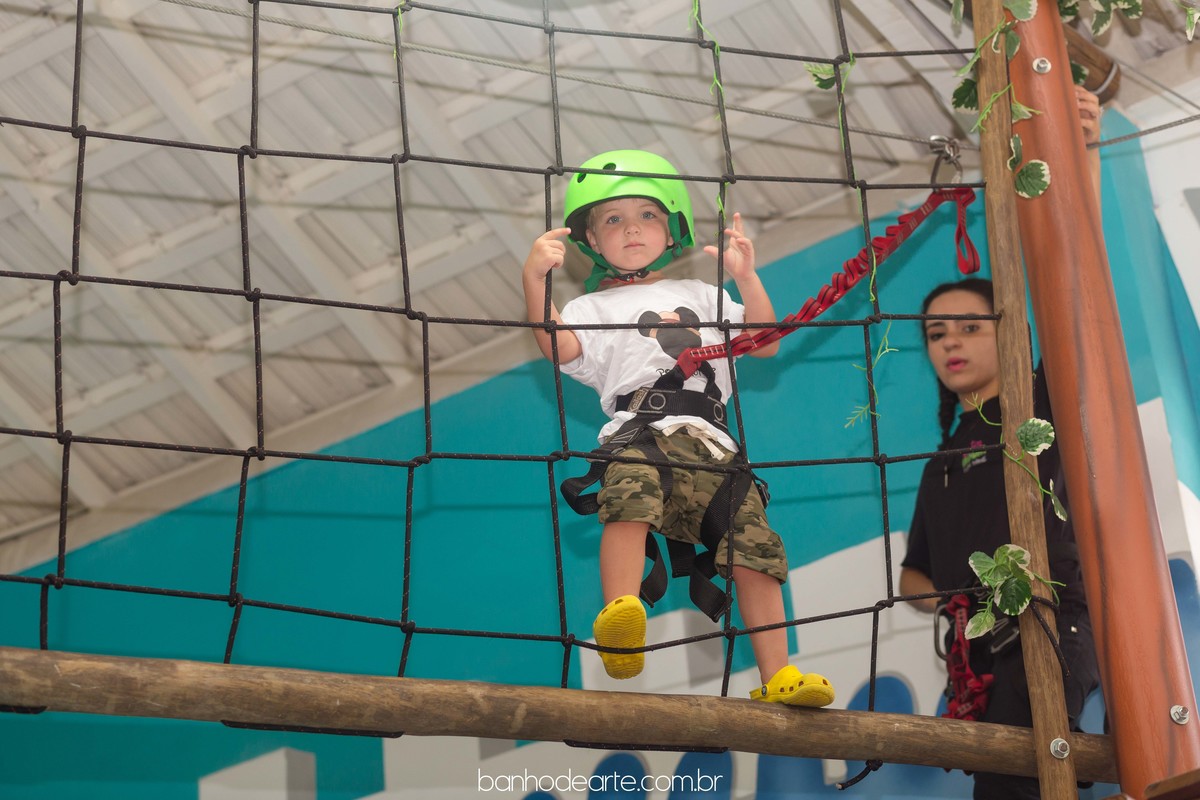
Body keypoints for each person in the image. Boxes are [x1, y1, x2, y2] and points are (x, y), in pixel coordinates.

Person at [522, 149, 833, 707]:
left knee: (754, 548)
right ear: (589, 241)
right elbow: (557, 346)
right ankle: (621, 615)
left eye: (647, 215)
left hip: (715, 450)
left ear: (673, 230)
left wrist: (747, 278)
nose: (632, 229)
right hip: (642, 435)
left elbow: (768, 341)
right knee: (628, 497)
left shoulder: (703, 296)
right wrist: (534, 283)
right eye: (612, 219)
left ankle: (778, 674)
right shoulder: (589, 307)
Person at [899, 277, 1101, 799]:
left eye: (970, 327)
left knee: (1012, 783)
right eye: (936, 334)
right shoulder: (938, 465)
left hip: (1051, 622)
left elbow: (1076, 315)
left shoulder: (1042, 410)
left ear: (1012, 334)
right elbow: (911, 576)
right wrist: (961, 597)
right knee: (1009, 784)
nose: (950, 342)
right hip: (975, 654)